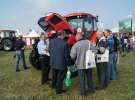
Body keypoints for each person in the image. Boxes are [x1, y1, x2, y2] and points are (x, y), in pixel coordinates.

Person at [49, 30, 70, 94]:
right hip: (61, 63)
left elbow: (50, 50)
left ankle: (53, 86)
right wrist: (68, 64)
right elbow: (66, 55)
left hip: (53, 61)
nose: (65, 36)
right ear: (62, 35)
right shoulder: (65, 43)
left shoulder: (51, 41)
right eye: (64, 35)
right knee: (60, 77)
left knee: (54, 75)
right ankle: (58, 90)